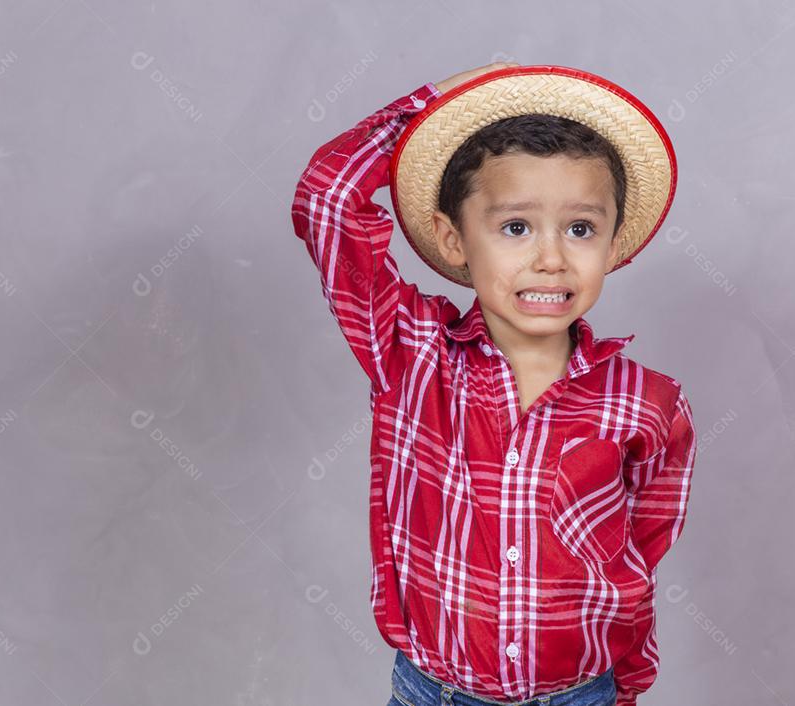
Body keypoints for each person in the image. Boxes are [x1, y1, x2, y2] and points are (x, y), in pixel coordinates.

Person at [291, 62, 697, 706]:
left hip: (579, 693)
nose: (551, 257)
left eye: (581, 229)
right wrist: (430, 104)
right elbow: (328, 201)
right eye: (515, 227)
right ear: (455, 240)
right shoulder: (412, 355)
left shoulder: (648, 404)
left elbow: (638, 556)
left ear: (615, 244)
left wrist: (627, 683)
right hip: (436, 692)